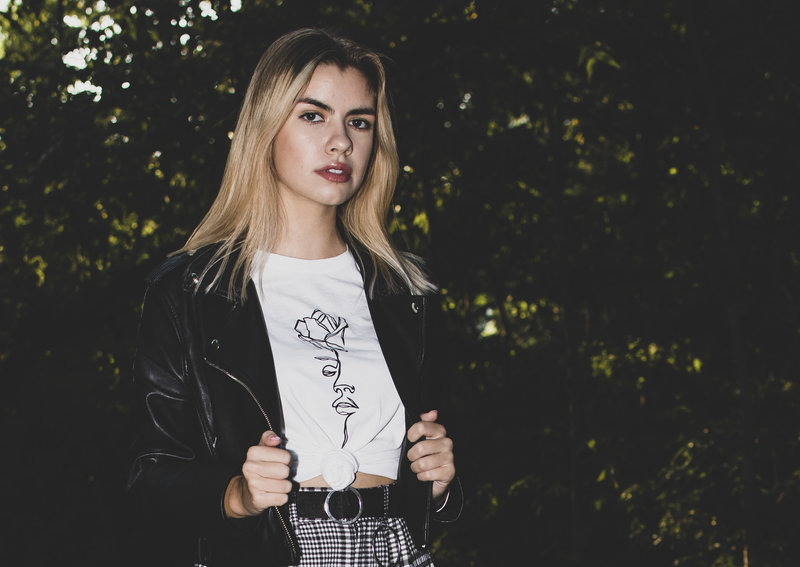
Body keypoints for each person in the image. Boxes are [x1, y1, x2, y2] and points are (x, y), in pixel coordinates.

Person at [127, 28, 462, 566]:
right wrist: (235, 495)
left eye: (359, 122)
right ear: (266, 127)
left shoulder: (406, 293)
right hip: (271, 552)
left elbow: (441, 459)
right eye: (313, 116)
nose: (341, 142)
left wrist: (440, 483)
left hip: (396, 550)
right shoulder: (191, 292)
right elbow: (149, 477)